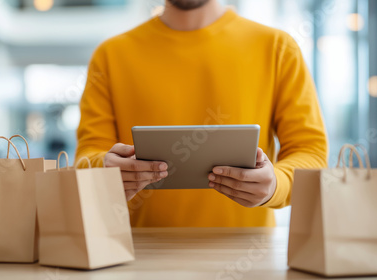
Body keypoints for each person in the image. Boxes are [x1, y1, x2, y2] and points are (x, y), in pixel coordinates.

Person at [75, 0, 328, 227]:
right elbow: (88, 155)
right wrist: (104, 172)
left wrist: (276, 186)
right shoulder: (110, 55)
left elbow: (311, 152)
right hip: (138, 256)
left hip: (250, 260)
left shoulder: (277, 48)